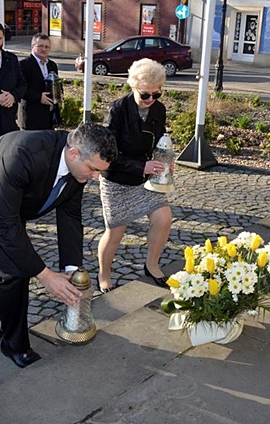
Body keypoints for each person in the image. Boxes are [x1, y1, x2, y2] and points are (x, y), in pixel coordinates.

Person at [0, 124, 118, 367]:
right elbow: (3, 225)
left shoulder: (79, 165)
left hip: (5, 207)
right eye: (94, 170)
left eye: (100, 172)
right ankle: (14, 345)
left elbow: (70, 216)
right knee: (14, 271)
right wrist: (45, 275)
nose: (96, 178)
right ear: (74, 153)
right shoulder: (23, 154)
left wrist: (72, 269)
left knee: (3, 266)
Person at [97, 58, 172, 293]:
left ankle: (151, 265)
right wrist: (141, 166)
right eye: (145, 95)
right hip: (116, 179)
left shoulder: (159, 109)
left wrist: (166, 160)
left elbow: (159, 142)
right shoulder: (117, 109)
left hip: (144, 180)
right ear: (133, 86)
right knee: (116, 232)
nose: (150, 100)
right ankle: (104, 274)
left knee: (164, 217)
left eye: (155, 94)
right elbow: (107, 153)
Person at [18, 33, 60, 130]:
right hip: (30, 119)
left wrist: (58, 93)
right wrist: (39, 97)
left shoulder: (52, 65)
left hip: (48, 119)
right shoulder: (23, 65)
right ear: (32, 46)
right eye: (40, 46)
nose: (44, 49)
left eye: (47, 47)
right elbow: (20, 89)